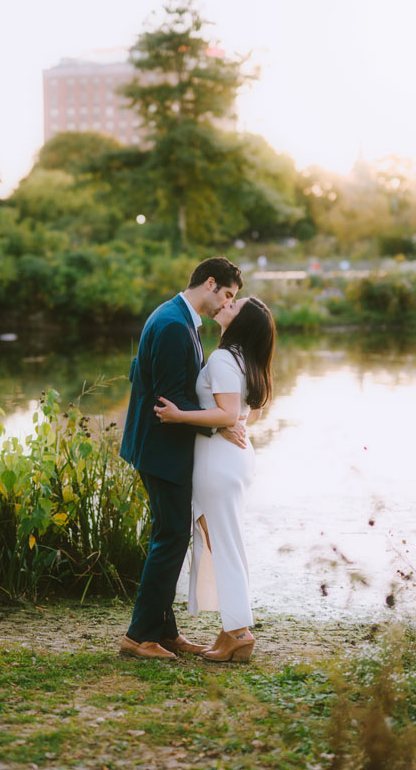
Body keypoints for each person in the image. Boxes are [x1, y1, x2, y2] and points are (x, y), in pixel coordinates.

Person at [118, 257, 247, 660]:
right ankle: (139, 637)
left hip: (156, 447)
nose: (225, 304)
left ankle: (165, 631)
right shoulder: (174, 325)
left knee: (168, 534)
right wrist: (220, 424)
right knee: (171, 537)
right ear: (210, 283)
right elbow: (170, 401)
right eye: (226, 294)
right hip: (162, 450)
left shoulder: (174, 315)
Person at [155, 296, 275, 663]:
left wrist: (179, 417)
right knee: (226, 543)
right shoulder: (244, 360)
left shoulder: (225, 358)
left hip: (218, 465)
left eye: (235, 304)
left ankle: (239, 632)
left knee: (222, 545)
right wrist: (232, 421)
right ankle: (231, 631)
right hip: (232, 461)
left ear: (242, 323)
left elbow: (227, 412)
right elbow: (246, 412)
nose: (227, 303)